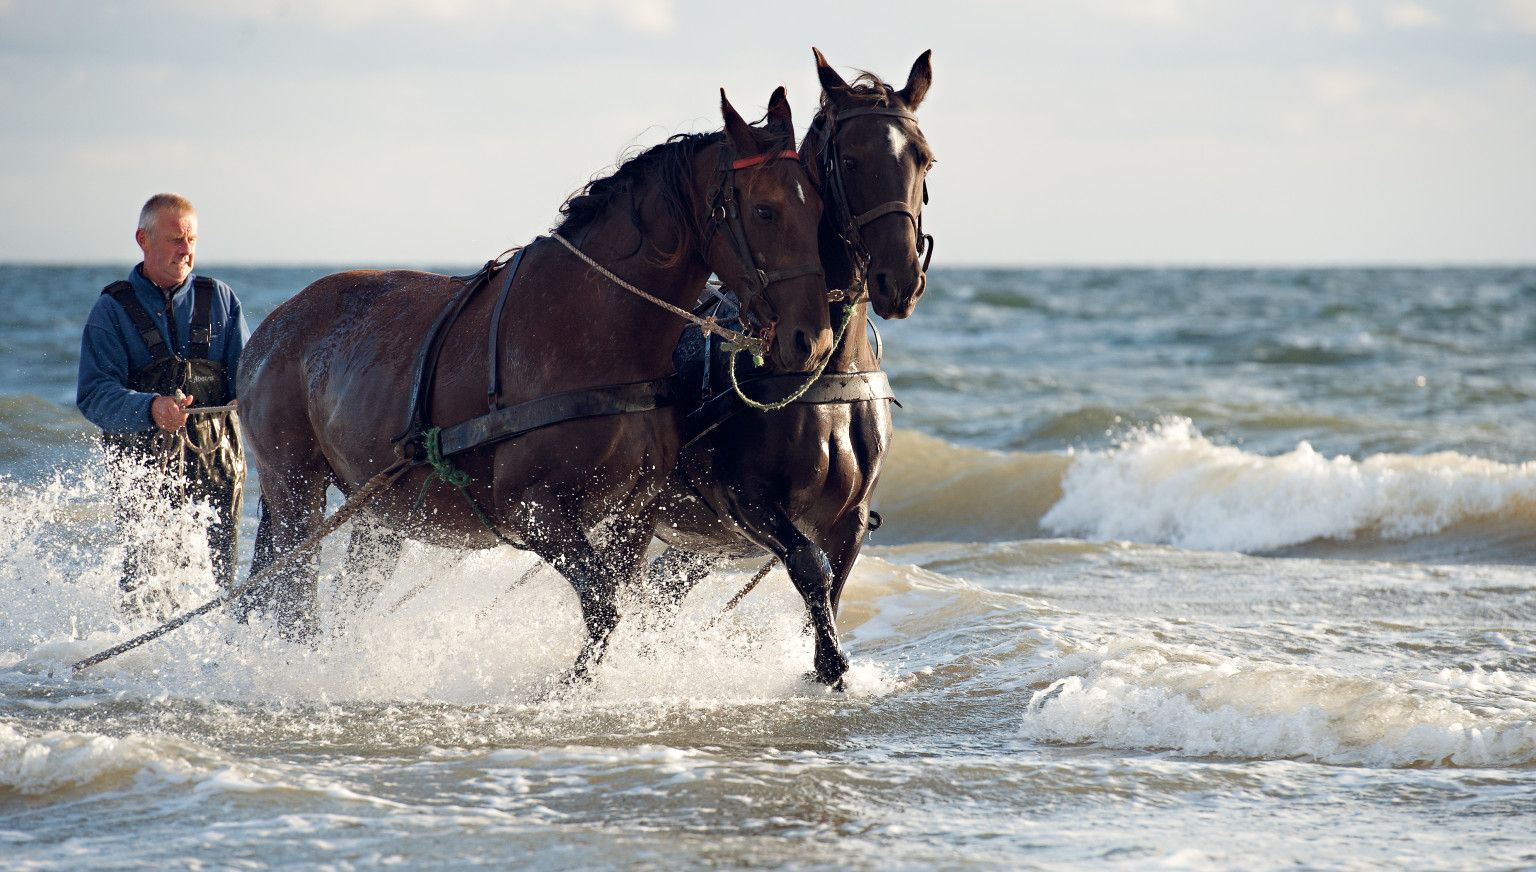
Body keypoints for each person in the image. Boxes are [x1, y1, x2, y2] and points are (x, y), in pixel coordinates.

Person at [77, 193, 249, 618]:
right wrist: (150, 408)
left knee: (220, 586)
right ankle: (137, 669)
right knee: (147, 586)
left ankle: (217, 670)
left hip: (219, 461)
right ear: (143, 239)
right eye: (175, 239)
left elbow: (249, 381)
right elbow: (94, 393)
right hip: (143, 465)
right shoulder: (111, 309)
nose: (185, 249)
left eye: (191, 239)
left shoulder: (221, 299)